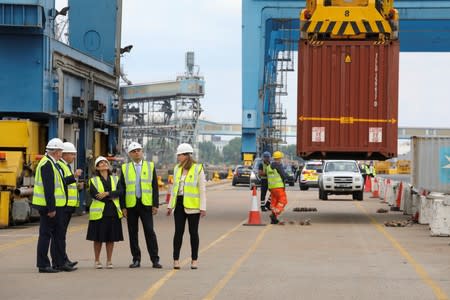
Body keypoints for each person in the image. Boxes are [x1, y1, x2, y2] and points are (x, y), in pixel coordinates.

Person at [32, 138, 76, 273]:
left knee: (57, 234)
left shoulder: (53, 163)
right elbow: (48, 188)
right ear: (56, 151)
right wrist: (51, 208)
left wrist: (72, 177)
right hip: (49, 207)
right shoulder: (47, 164)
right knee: (45, 235)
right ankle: (43, 264)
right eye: (60, 151)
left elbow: (60, 183)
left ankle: (59, 263)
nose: (61, 153)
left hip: (57, 206)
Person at [119, 142, 162, 269]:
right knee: (133, 233)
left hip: (146, 204)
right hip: (131, 204)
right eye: (134, 151)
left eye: (138, 150)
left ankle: (155, 259)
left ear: (142, 152)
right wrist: (123, 207)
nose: (137, 152)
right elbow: (122, 188)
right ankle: (136, 259)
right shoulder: (125, 168)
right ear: (130, 154)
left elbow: (154, 186)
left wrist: (155, 204)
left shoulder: (150, 166)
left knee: (150, 232)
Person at [167, 143, 206, 270]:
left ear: (187, 155)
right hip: (178, 204)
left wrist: (203, 207)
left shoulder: (198, 168)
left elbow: (202, 189)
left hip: (193, 206)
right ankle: (176, 260)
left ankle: (194, 260)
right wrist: (170, 205)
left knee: (193, 233)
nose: (178, 157)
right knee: (178, 232)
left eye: (180, 155)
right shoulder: (177, 169)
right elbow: (174, 189)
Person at [86, 156, 124, 269]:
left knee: (110, 238)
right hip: (99, 214)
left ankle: (109, 260)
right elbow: (96, 195)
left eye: (105, 162)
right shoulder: (93, 181)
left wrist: (107, 193)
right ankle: (97, 260)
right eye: (100, 163)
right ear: (97, 168)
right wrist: (113, 195)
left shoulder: (115, 179)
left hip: (113, 212)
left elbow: (121, 191)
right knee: (98, 238)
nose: (103, 164)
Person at [52, 142, 83, 269]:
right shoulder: (59, 166)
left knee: (61, 235)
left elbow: (67, 185)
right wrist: (74, 176)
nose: (74, 157)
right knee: (58, 235)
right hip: (63, 206)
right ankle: (59, 262)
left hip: (68, 205)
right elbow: (61, 183)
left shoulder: (65, 166)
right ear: (64, 154)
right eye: (72, 154)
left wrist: (77, 186)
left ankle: (63, 259)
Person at [267, 151, 289, 224]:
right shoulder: (278, 165)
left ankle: (274, 219)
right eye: (281, 158)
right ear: (279, 158)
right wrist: (289, 177)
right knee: (283, 200)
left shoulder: (268, 167)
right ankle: (275, 214)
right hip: (279, 187)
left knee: (274, 202)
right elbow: (283, 175)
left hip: (271, 188)